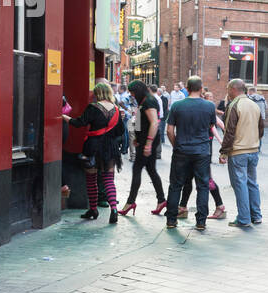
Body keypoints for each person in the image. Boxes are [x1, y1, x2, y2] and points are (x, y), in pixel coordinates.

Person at [63, 82, 124, 223]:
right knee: (109, 179)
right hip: (111, 147)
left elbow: (79, 123)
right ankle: (114, 209)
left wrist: (64, 117)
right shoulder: (116, 109)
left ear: (98, 93)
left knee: (91, 180)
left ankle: (93, 209)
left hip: (93, 146)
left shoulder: (93, 107)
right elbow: (120, 131)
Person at [162, 76, 216, 231]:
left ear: (187, 87)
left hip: (182, 150)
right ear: (201, 88)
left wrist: (176, 145)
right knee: (203, 186)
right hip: (202, 151)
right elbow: (211, 125)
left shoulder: (177, 106)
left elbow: (169, 130)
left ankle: (171, 219)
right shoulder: (209, 106)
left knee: (176, 185)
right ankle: (201, 221)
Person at [220, 78, 264, 228]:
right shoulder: (254, 105)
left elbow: (229, 131)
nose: (227, 92)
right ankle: (256, 215)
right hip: (253, 149)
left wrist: (224, 152)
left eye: (228, 89)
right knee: (252, 182)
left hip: (238, 151)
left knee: (240, 184)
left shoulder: (234, 105)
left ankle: (244, 218)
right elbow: (261, 129)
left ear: (233, 89)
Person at [119, 80, 166, 216]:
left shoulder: (149, 101)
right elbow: (139, 119)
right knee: (151, 170)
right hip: (144, 141)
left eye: (133, 92)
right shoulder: (143, 101)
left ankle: (130, 202)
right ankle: (161, 200)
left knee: (137, 169)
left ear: (138, 91)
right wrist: (136, 138)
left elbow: (154, 123)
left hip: (148, 141)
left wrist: (148, 144)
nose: (132, 95)